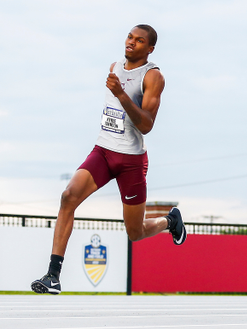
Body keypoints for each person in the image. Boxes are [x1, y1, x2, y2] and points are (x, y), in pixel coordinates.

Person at [31, 24, 187, 295]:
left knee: (135, 232)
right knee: (68, 197)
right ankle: (53, 276)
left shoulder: (153, 77)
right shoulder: (114, 66)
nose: (131, 43)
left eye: (139, 41)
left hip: (131, 161)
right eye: (129, 37)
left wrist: (120, 94)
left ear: (149, 49)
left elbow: (147, 124)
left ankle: (169, 222)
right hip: (103, 151)